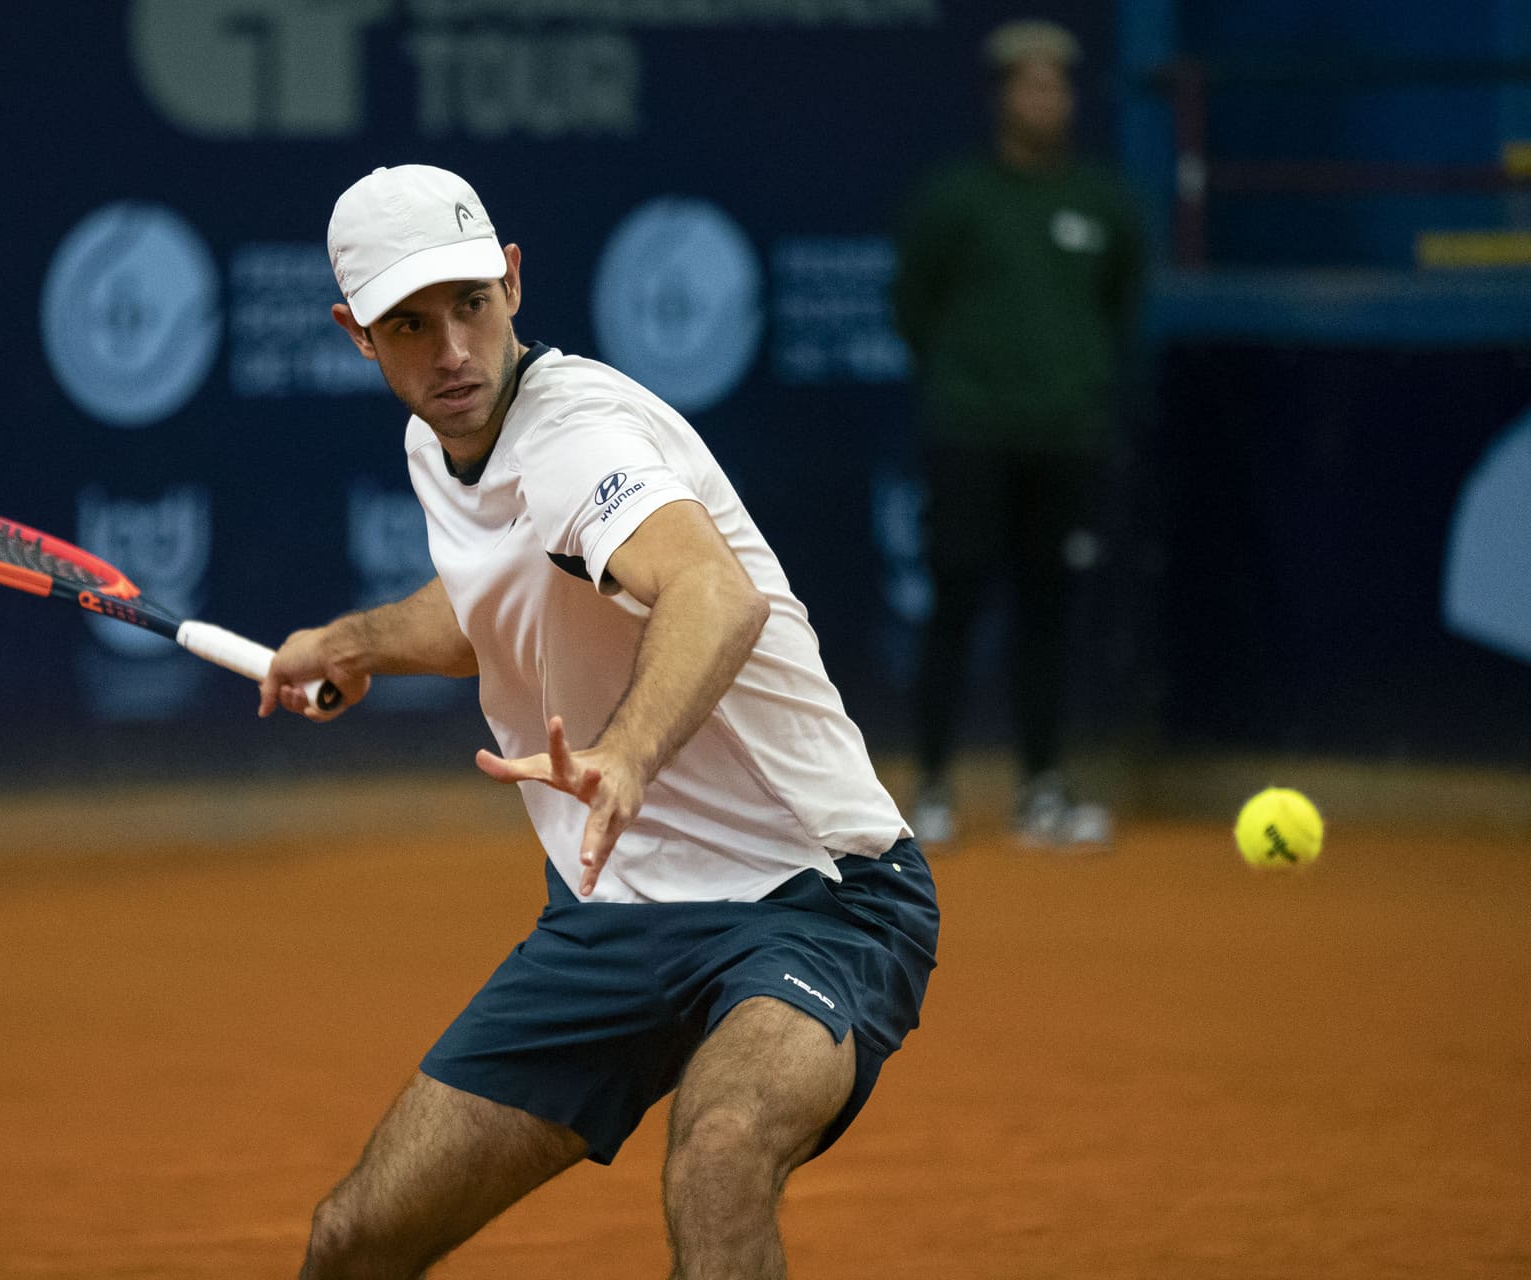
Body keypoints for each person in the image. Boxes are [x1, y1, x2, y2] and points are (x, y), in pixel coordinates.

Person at [258, 163, 940, 1278]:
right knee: (355, 1238)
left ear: (513, 281)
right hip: (614, 908)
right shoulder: (441, 442)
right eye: (410, 324)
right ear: (355, 335)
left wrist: (627, 752)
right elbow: (497, 600)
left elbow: (715, 591)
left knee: (719, 1156)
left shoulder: (578, 434)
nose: (452, 352)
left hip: (815, 896)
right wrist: (357, 640)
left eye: (471, 304)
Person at [890, 18, 1146, 848]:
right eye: (1030, 85)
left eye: (1058, 85)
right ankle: (928, 790)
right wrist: (973, 384)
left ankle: (1041, 790)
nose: (1046, 99)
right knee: (954, 611)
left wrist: (1069, 385)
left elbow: (1119, 308)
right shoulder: (957, 200)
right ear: (1002, 99)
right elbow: (913, 308)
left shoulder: (1100, 203)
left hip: (1067, 441)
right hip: (972, 435)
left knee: (1047, 616)